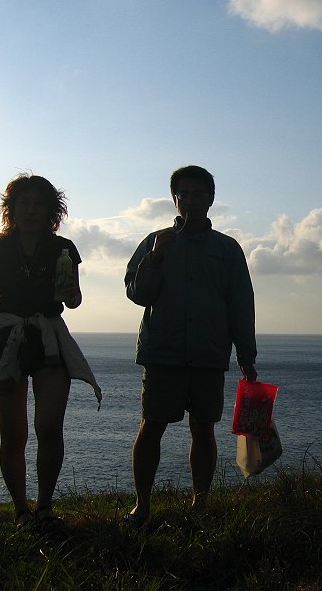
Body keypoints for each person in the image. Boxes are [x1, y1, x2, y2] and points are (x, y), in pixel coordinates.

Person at [0, 173, 101, 531]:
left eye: (39, 204)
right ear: (11, 209)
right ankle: (21, 510)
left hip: (49, 335)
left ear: (52, 210)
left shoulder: (64, 248)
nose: (31, 210)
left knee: (49, 428)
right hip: (8, 337)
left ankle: (46, 506)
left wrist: (72, 295)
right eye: (24, 203)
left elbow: (73, 299)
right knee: (14, 434)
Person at [124, 165, 258, 523]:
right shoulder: (155, 241)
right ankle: (142, 504)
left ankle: (200, 503)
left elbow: (240, 303)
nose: (191, 201)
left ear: (211, 199)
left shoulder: (227, 249)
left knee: (203, 428)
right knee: (151, 425)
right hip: (163, 353)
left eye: (199, 194)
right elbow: (137, 294)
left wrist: (246, 355)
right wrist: (154, 259)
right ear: (174, 199)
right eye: (184, 194)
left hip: (207, 354)